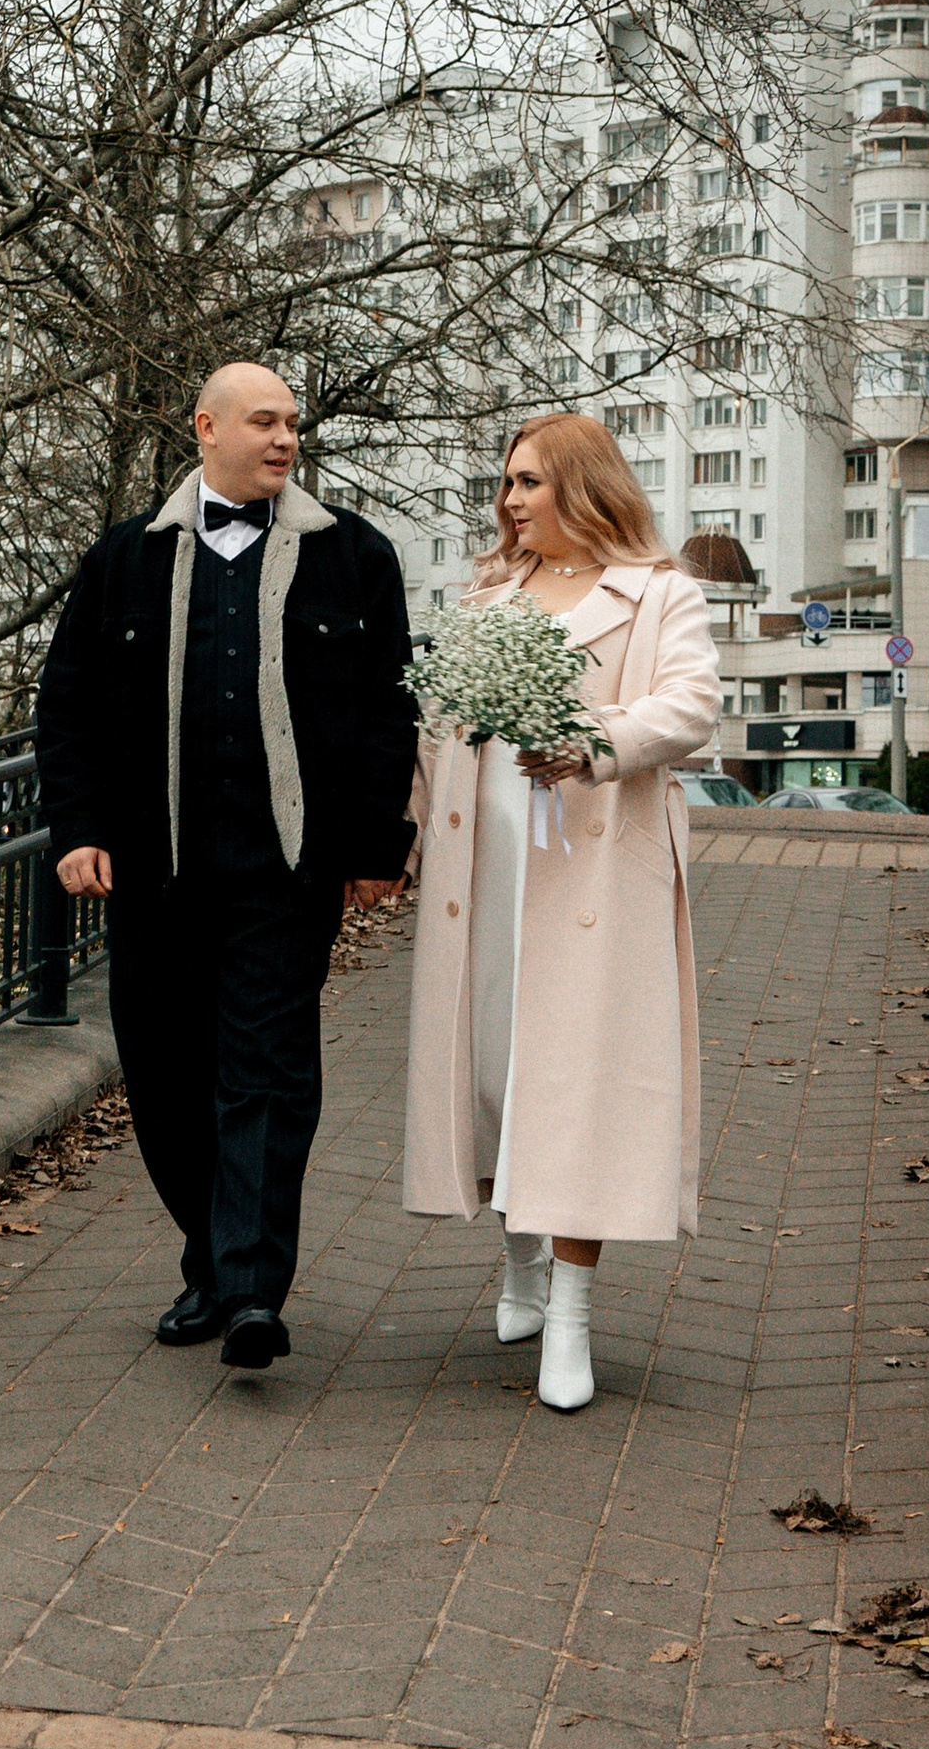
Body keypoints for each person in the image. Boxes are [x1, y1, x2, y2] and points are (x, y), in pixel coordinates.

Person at [35, 361, 417, 1371]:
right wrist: (76, 829)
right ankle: (207, 1259)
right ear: (206, 428)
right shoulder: (122, 561)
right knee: (164, 1075)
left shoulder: (355, 559)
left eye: (292, 423)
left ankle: (251, 1289)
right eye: (264, 421)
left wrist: (381, 845)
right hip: (153, 873)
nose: (286, 438)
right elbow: (65, 707)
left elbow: (389, 712)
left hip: (285, 873)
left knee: (266, 1074)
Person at [402, 409, 721, 1412]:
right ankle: (523, 1264)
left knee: (576, 1083)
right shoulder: (490, 590)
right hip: (486, 858)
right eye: (507, 483)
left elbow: (690, 707)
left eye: (529, 482)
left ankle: (573, 1315)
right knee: (498, 1070)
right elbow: (440, 721)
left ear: (582, 487)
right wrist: (407, 833)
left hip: (591, 868)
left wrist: (590, 742)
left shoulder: (659, 593)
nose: (510, 500)